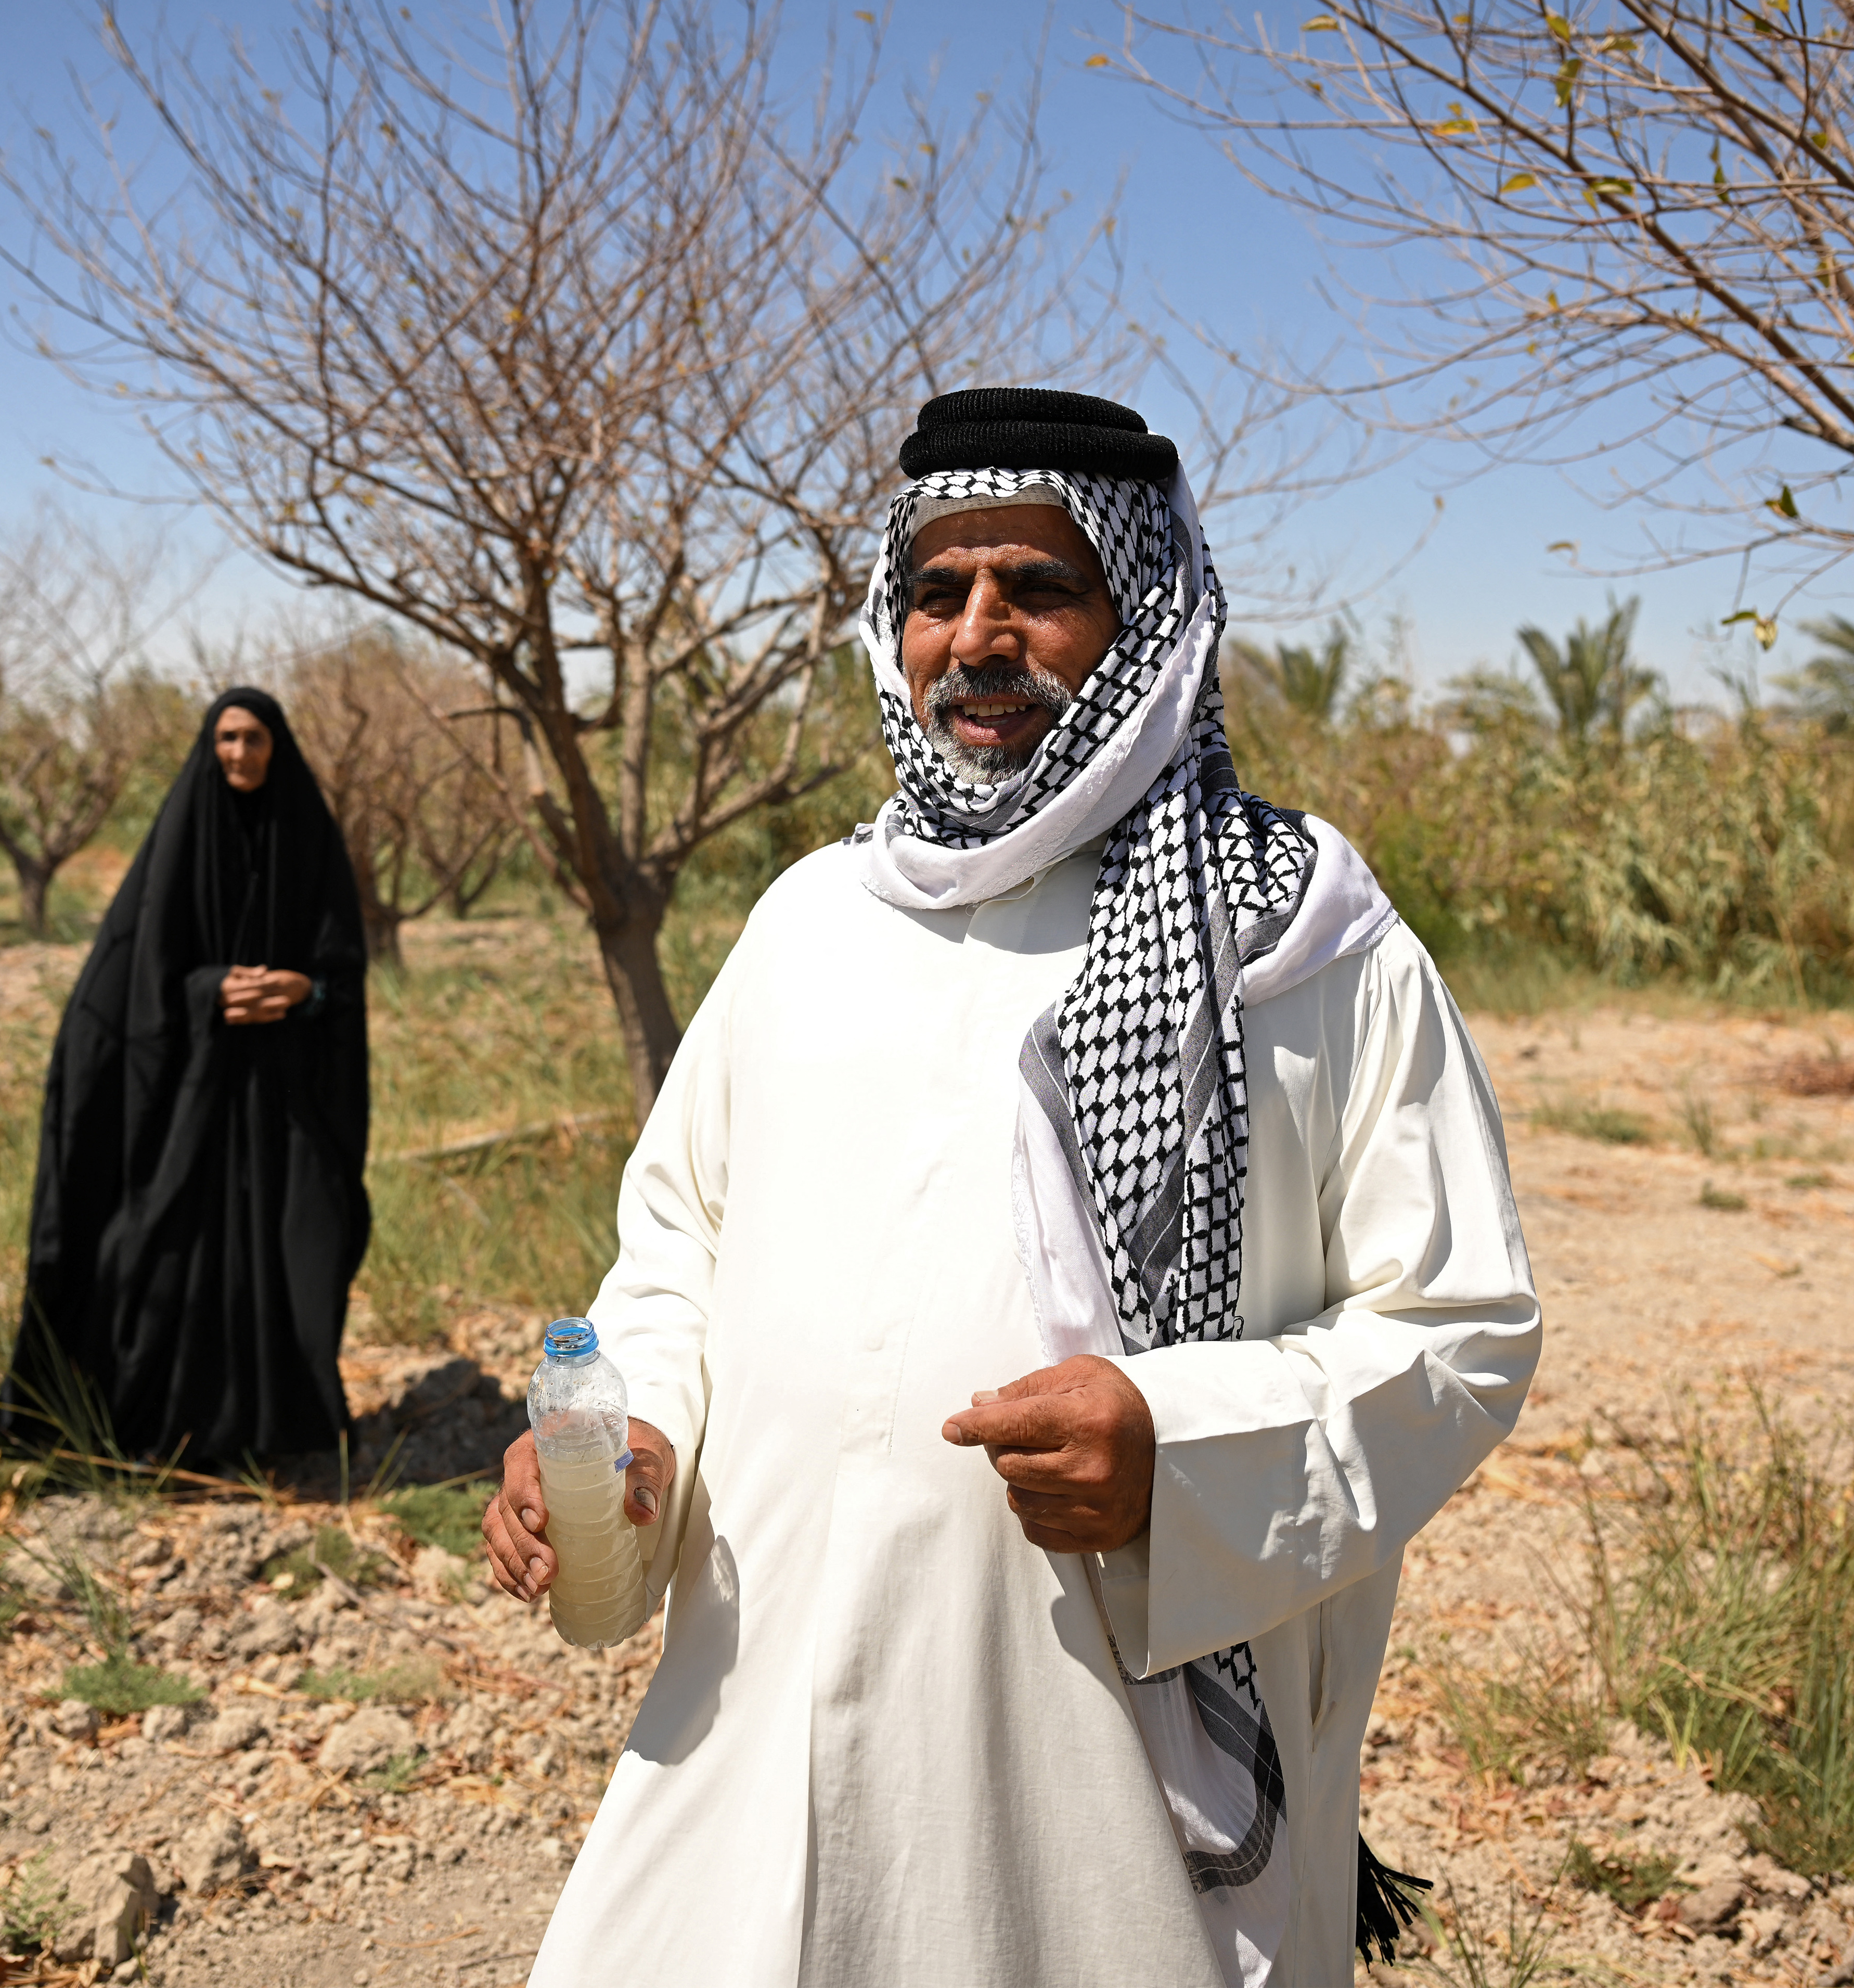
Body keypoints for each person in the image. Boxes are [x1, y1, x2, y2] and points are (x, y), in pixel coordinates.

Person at [482, 388, 1541, 1987]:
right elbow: (682, 1248)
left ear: (1146, 612)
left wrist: (1172, 1452)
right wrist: (637, 1435)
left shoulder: (1298, 939)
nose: (976, 636)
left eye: (1037, 588)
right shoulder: (813, 921)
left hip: (1091, 1779)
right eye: (935, 592)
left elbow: (1458, 1326)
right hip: (745, 1728)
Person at [0, 687, 371, 1476]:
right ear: (209, 744)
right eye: (226, 738)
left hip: (284, 1096)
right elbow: (137, 978)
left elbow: (342, 970)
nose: (239, 754)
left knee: (301, 1244)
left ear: (277, 745)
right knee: (161, 1249)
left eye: (254, 738)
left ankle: (279, 1430)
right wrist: (209, 990)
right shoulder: (180, 840)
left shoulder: (310, 839)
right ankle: (168, 1431)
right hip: (191, 1094)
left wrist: (302, 990)